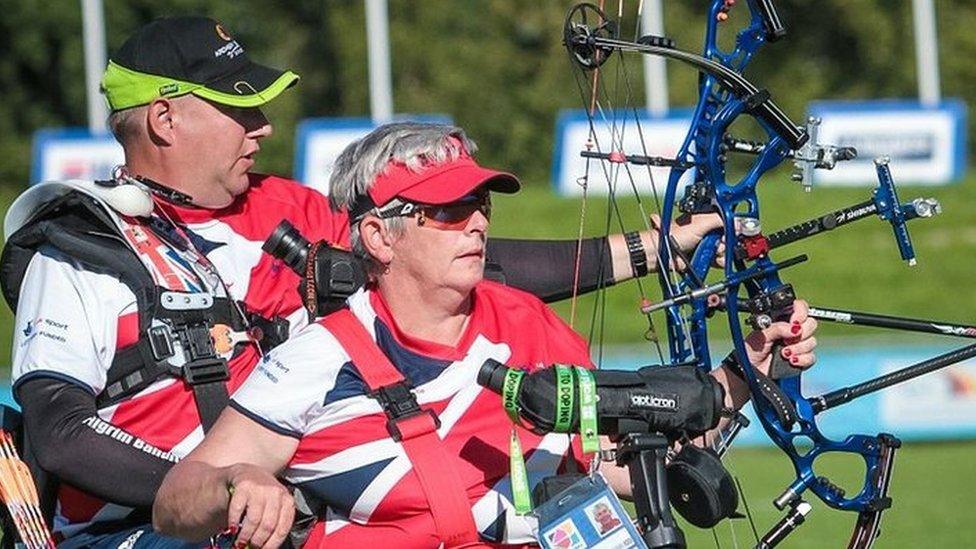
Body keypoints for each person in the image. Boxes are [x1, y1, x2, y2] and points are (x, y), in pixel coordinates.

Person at [1, 16, 725, 548]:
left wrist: (652, 248)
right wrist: (221, 486)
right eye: (238, 109)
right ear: (164, 118)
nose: (261, 126)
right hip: (146, 531)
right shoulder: (81, 252)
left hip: (287, 508)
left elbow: (439, 257)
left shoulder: (279, 209)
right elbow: (60, 433)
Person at [152, 122, 818, 548]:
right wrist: (236, 483)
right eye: (447, 209)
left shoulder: (525, 324)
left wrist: (754, 370)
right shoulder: (319, 358)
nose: (475, 222)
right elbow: (177, 498)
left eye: (480, 204)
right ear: (381, 235)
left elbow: (628, 461)